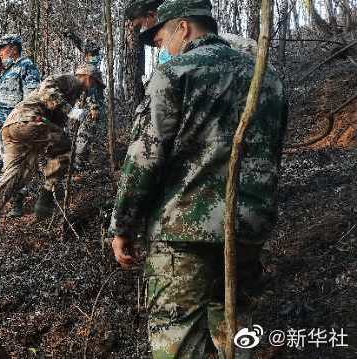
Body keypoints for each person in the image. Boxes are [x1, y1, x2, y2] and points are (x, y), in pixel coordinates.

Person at [109, 0, 288, 358]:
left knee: (177, 337)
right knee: (236, 332)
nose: (162, 49)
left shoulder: (175, 73)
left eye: (161, 40)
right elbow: (272, 152)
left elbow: (145, 157)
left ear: (184, 28)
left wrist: (122, 226)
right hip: (246, 229)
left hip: (183, 232)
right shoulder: (266, 78)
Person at [0, 65, 103, 241]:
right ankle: (46, 196)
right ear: (87, 77)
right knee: (65, 146)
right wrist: (71, 111)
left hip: (12, 128)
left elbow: (56, 124)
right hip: (29, 121)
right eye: (95, 82)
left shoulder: (76, 94)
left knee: (18, 174)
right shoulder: (69, 80)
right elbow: (47, 90)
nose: (94, 87)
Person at [0, 34, 41, 218]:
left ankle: (17, 204)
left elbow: (32, 97)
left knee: (13, 165)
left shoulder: (26, 65)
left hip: (12, 125)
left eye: (2, 48)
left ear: (13, 48)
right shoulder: (4, 71)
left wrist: (26, 121)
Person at [72, 41, 106, 172]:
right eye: (92, 54)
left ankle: (80, 163)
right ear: (86, 55)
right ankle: (78, 166)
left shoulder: (90, 69)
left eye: (96, 54)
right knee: (83, 136)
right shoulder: (87, 70)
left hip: (84, 108)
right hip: (86, 109)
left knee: (84, 136)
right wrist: (94, 106)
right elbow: (89, 90)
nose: (95, 57)